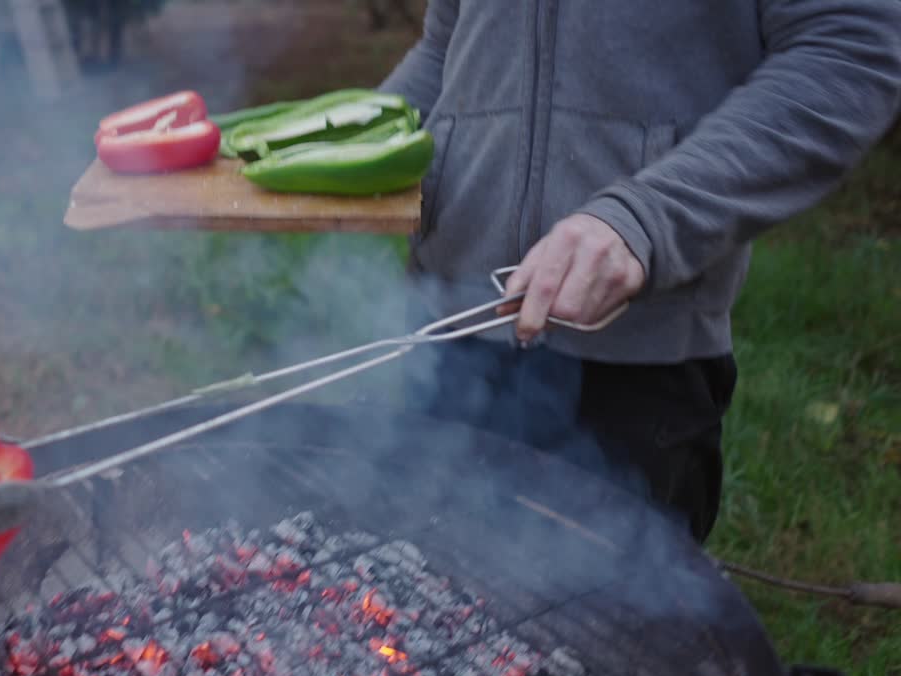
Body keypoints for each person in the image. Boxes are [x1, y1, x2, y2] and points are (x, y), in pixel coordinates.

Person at [377, 1, 901, 544]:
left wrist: (648, 218)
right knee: (416, 570)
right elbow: (446, 47)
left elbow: (848, 48)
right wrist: (350, 141)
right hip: (444, 337)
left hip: (636, 364)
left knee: (594, 597)